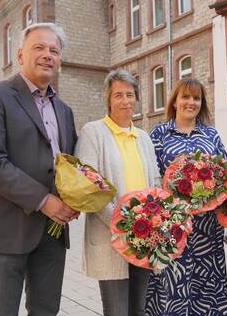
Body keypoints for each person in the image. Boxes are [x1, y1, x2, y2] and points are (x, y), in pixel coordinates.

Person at [0, 23, 78, 316]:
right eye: (39, 47)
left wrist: (80, 196)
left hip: (52, 233)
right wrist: (45, 201)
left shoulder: (65, 111)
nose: (47, 55)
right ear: (21, 55)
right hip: (6, 231)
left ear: (59, 60)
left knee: (46, 311)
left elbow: (70, 165)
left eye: (54, 51)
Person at [75, 69, 160, 316]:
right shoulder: (94, 132)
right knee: (116, 311)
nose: (125, 101)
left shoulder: (143, 137)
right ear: (108, 99)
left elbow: (154, 181)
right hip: (112, 235)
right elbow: (89, 186)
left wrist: (155, 221)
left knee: (139, 309)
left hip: (144, 235)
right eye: (118, 95)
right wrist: (122, 223)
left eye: (130, 95)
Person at [145, 78, 227, 315]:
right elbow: (152, 176)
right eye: (185, 97)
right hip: (174, 225)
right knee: (174, 286)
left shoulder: (210, 134)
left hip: (207, 228)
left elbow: (225, 174)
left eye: (196, 98)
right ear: (175, 101)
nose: (190, 102)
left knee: (207, 287)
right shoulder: (160, 134)